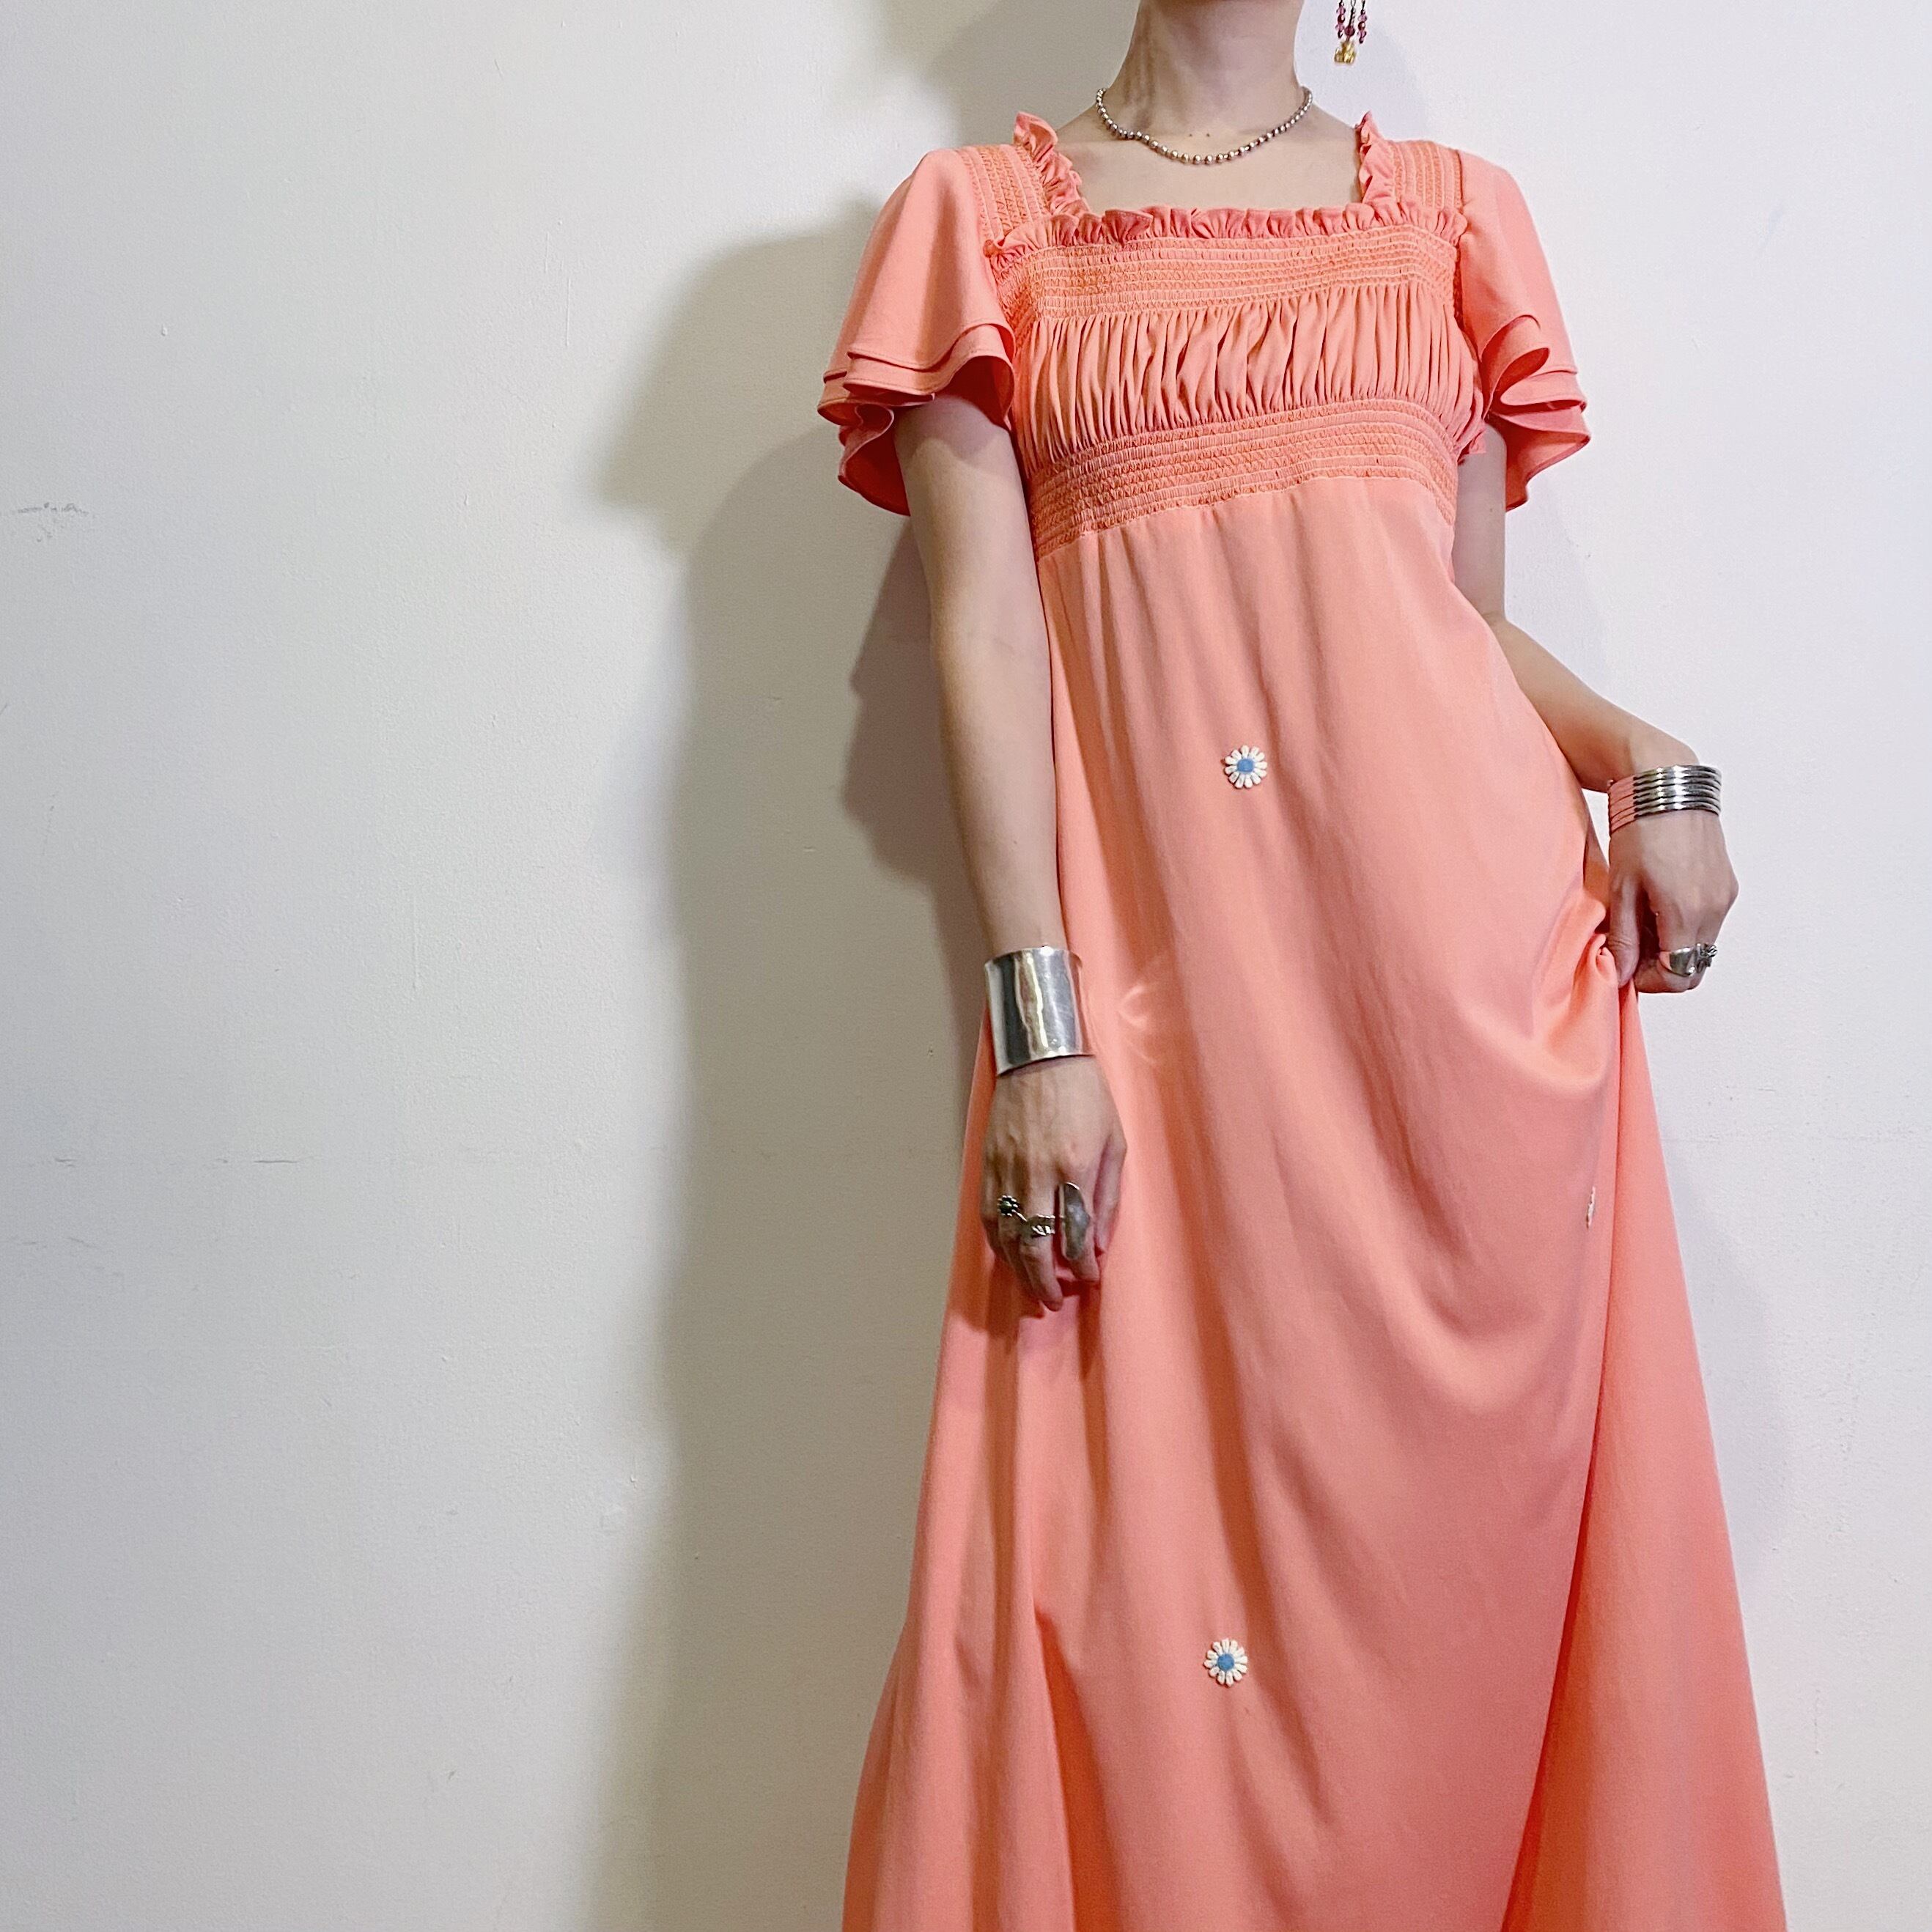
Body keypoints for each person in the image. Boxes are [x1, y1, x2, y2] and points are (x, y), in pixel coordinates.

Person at [815, 3, 1788, 1925]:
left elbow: (1443, 631)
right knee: (1124, 1587)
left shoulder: (1451, 221)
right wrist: (1037, 1031)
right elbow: (985, 640)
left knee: (1461, 1615)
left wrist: (1649, 765)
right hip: (1162, 1037)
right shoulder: (980, 223)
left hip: (1453, 1029)